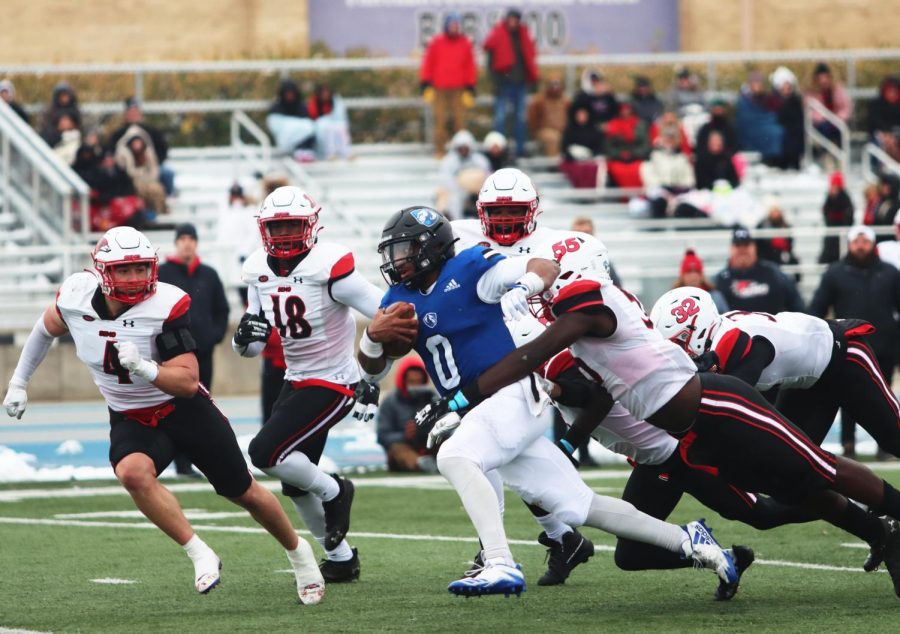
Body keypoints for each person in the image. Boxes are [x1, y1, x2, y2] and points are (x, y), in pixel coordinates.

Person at [423, 247, 900, 598]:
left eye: (554, 290)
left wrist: (464, 395)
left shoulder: (588, 306)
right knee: (790, 490)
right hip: (687, 433)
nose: (546, 300)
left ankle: (890, 525)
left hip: (714, 408)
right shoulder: (584, 321)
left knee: (815, 470)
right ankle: (873, 533)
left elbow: (534, 352)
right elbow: (581, 381)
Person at [361, 205, 740, 597]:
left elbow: (543, 266)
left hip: (511, 394)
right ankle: (690, 540)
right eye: (393, 252)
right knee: (578, 506)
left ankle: (499, 562)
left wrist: (525, 286)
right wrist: (372, 337)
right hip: (486, 410)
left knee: (456, 456)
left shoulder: (470, 267)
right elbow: (373, 364)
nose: (397, 261)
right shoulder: (398, 298)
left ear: (430, 247)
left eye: (404, 250)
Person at [2, 227, 324, 603]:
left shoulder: (164, 305)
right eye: (124, 270)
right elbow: (44, 329)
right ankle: (199, 552)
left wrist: (146, 368)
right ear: (103, 272)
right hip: (130, 415)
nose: (135, 277)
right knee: (132, 473)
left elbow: (188, 382)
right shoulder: (75, 297)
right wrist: (19, 381)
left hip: (183, 410)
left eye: (141, 267)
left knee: (243, 492)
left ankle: (299, 554)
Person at [233, 186, 385, 584]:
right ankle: (340, 558)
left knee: (264, 452)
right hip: (296, 377)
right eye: (276, 226)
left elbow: (386, 316)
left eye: (291, 225)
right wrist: (241, 338)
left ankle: (336, 491)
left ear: (311, 226)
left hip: (335, 381)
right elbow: (250, 347)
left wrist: (373, 376)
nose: (283, 234)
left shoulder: (329, 266)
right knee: (295, 483)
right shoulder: (257, 271)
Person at [653, 287, 900, 461]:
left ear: (695, 332)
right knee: (792, 468)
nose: (676, 352)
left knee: (893, 438)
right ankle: (870, 509)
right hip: (807, 381)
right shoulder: (720, 337)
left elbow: (736, 409)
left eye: (678, 343)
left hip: (844, 357)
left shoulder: (735, 340)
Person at [810, 226, 900, 458]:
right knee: (846, 395)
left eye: (865, 241)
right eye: (856, 241)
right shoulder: (835, 273)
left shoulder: (890, 272)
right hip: (848, 346)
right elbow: (818, 307)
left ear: (873, 244)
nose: (861, 245)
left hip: (883, 345)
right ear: (849, 244)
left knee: (884, 398)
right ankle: (848, 444)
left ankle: (886, 445)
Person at [420, 13, 477, 157]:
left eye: (456, 26)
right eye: (452, 25)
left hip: (459, 88)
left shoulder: (465, 43)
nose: (454, 28)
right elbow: (429, 63)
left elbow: (470, 66)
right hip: (440, 87)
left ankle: (461, 150)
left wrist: (470, 85)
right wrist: (426, 82)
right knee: (440, 120)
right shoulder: (437, 42)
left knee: (460, 121)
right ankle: (440, 150)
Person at [483, 8, 538, 157]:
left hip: (519, 84)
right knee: (500, 119)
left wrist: (532, 80)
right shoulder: (498, 34)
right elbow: (491, 62)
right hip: (503, 84)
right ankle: (500, 150)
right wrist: (495, 83)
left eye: (516, 19)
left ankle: (520, 149)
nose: (513, 22)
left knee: (520, 119)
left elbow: (529, 60)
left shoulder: (523, 36)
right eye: (511, 19)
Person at [714, 226, 805, 313]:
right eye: (738, 246)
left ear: (754, 247)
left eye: (746, 245)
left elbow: (795, 303)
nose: (742, 250)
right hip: (735, 328)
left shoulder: (773, 272)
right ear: (731, 249)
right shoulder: (720, 280)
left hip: (771, 327)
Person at [375, 356, 438, 473]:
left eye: (419, 383)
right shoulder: (390, 402)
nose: (415, 387)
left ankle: (442, 462)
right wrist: (406, 435)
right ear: (403, 381)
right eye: (411, 382)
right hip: (404, 449)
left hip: (429, 444)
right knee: (397, 448)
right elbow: (382, 435)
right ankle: (421, 463)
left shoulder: (432, 398)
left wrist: (427, 429)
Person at [107, 97, 175, 196]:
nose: (133, 115)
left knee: (167, 173)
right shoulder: (118, 134)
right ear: (125, 115)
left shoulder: (151, 131)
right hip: (127, 169)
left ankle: (167, 199)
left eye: (135, 112)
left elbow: (163, 150)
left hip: (150, 167)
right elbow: (111, 152)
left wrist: (152, 163)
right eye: (130, 113)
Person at [435, 129, 490, 219]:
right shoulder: (449, 161)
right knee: (450, 199)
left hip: (476, 192)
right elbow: (445, 178)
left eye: (466, 147)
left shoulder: (480, 160)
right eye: (461, 148)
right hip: (455, 191)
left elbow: (487, 175)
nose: (463, 150)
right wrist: (460, 190)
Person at [115, 129, 167, 215]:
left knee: (157, 189)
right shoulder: (125, 156)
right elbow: (128, 172)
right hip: (132, 183)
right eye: (135, 143)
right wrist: (141, 174)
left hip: (149, 181)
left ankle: (158, 212)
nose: (137, 145)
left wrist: (147, 178)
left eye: (138, 142)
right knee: (142, 189)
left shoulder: (148, 154)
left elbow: (154, 170)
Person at [736, 71, 783, 165]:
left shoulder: (765, 98)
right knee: (773, 132)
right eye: (755, 82)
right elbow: (746, 117)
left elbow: (772, 111)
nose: (758, 85)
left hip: (765, 125)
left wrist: (770, 117)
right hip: (751, 129)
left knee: (778, 131)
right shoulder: (745, 99)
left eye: (759, 83)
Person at [604, 101, 650, 189]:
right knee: (616, 170)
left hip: (637, 159)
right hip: (618, 159)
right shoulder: (613, 125)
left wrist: (633, 154)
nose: (625, 112)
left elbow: (645, 145)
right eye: (623, 109)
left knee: (640, 170)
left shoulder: (640, 125)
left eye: (627, 109)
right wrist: (619, 154)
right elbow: (608, 145)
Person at [806, 63, 852, 150]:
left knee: (840, 129)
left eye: (826, 77)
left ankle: (839, 156)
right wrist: (826, 118)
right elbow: (810, 112)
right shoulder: (811, 93)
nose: (824, 81)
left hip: (836, 122)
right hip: (820, 125)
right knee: (824, 129)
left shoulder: (838, 91)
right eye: (820, 78)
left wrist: (837, 118)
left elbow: (846, 108)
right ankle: (826, 155)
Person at [266, 79, 315, 159]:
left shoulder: (300, 106)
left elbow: (307, 125)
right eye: (287, 93)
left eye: (291, 93)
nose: (289, 96)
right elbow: (275, 123)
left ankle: (303, 153)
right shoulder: (277, 107)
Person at [560, 106, 606, 189]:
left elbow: (599, 146)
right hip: (574, 160)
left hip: (590, 159)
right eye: (579, 115)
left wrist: (591, 156)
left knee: (594, 169)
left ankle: (591, 192)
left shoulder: (594, 130)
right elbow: (564, 147)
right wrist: (574, 157)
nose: (581, 117)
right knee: (577, 170)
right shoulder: (569, 130)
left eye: (583, 115)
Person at [755, 199, 800, 279]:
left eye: (777, 211)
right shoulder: (761, 226)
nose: (776, 213)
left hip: (781, 259)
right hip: (767, 259)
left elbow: (789, 246)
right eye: (774, 211)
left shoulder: (786, 226)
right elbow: (759, 248)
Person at [306, 83, 352, 160]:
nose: (325, 94)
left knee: (339, 128)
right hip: (319, 127)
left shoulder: (334, 102)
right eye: (323, 92)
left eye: (327, 92)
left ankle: (345, 152)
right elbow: (313, 116)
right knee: (328, 129)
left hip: (333, 126)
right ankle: (330, 153)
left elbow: (339, 117)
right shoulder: (314, 102)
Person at [527, 75, 569, 158]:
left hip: (564, 130)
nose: (555, 87)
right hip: (545, 130)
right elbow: (533, 119)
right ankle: (554, 164)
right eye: (553, 85)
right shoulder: (539, 100)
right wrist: (536, 131)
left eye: (557, 84)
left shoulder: (566, 101)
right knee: (553, 138)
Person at [771, 67, 805, 170]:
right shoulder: (774, 100)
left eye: (788, 86)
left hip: (793, 131)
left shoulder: (796, 100)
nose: (786, 88)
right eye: (784, 86)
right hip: (781, 130)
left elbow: (798, 118)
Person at [820, 171, 855, 264]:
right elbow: (825, 212)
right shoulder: (829, 198)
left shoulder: (844, 199)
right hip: (831, 235)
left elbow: (848, 217)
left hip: (841, 235)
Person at [868, 76, 900, 162]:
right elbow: (874, 124)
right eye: (889, 90)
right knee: (883, 143)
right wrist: (886, 135)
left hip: (896, 135)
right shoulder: (875, 104)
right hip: (880, 135)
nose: (892, 94)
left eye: (895, 91)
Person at [865, 174, 900, 241]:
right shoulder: (880, 202)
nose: (884, 188)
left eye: (887, 185)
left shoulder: (896, 205)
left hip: (890, 241)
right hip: (878, 238)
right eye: (883, 185)